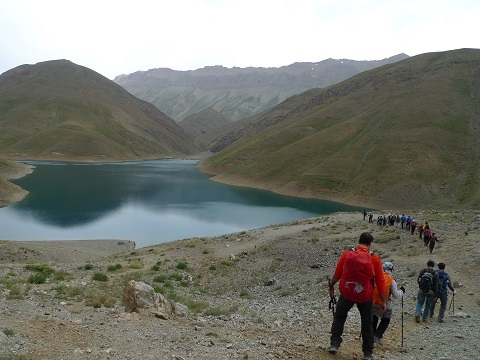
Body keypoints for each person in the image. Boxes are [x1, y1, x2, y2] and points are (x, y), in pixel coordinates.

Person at [328, 232, 386, 360]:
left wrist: (331, 285)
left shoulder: (347, 254)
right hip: (365, 296)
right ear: (370, 244)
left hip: (347, 293)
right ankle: (368, 353)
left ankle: (334, 344)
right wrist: (383, 300)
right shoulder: (374, 259)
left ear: (358, 241)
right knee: (367, 323)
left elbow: (338, 273)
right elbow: (380, 281)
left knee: (340, 316)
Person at [372, 262, 405, 344]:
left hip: (374, 302)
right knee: (386, 320)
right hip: (386, 304)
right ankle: (377, 336)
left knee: (374, 318)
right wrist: (402, 291)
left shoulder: (376, 277)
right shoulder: (391, 280)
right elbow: (396, 295)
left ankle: (371, 335)